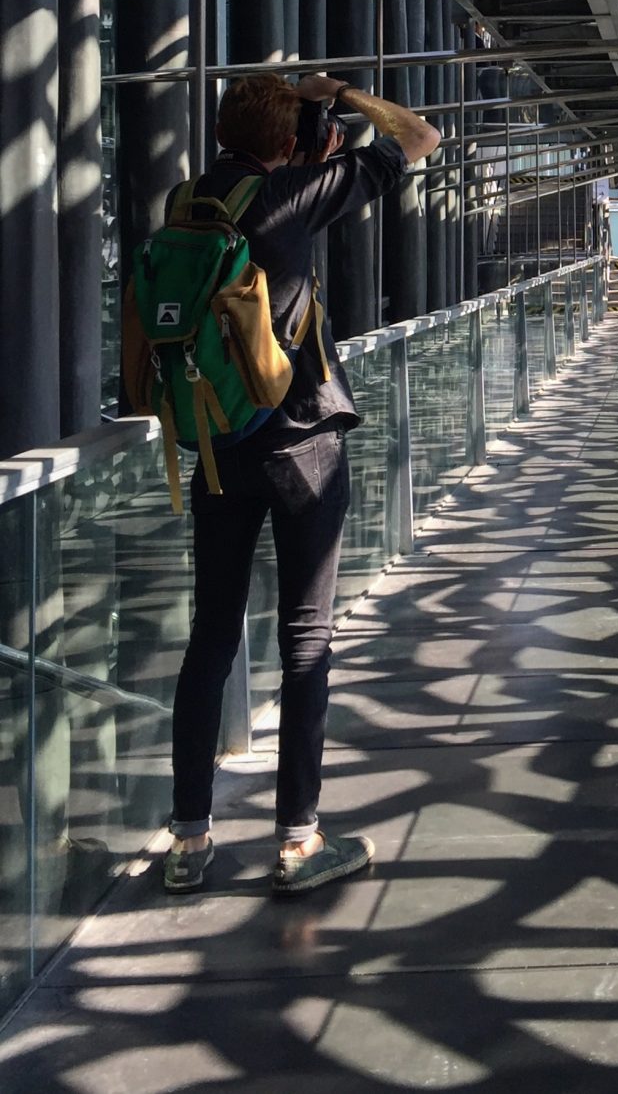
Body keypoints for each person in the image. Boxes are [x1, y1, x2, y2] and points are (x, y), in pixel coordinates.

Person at [164, 70, 441, 896]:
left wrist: (298, 115)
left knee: (211, 634)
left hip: (215, 446)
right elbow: (420, 138)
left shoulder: (187, 201)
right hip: (300, 445)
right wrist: (350, 97)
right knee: (306, 639)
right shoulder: (292, 193)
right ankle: (297, 841)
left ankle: (187, 841)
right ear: (290, 142)